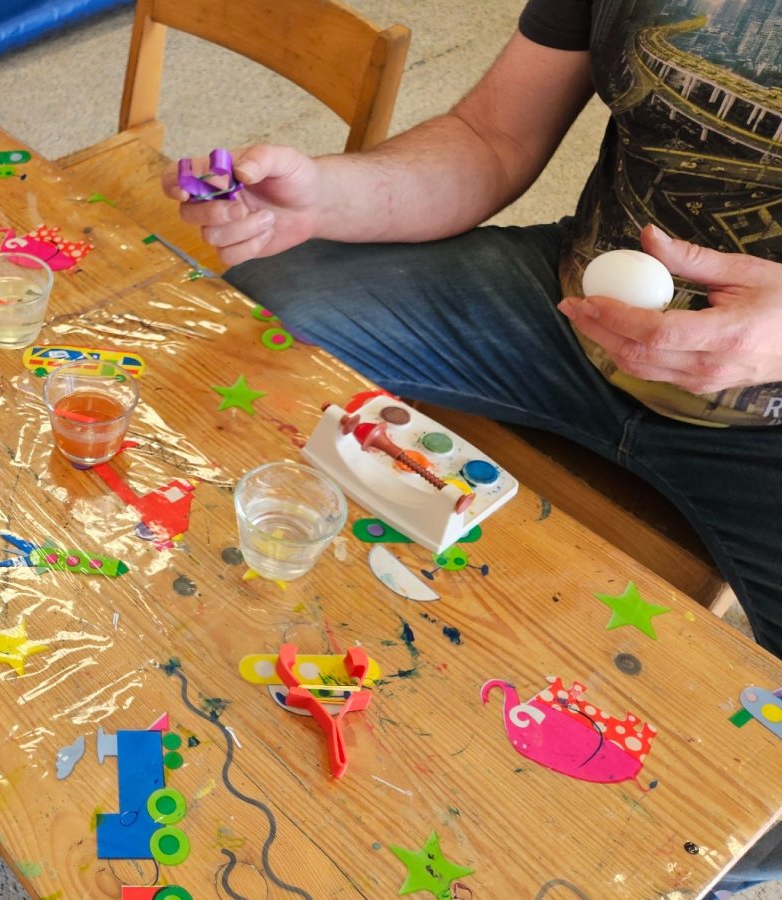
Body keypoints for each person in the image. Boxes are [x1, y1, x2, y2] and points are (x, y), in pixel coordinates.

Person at [168, 0, 782, 667]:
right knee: (268, 312)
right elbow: (493, 135)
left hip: (764, 436)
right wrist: (326, 196)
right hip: (568, 312)